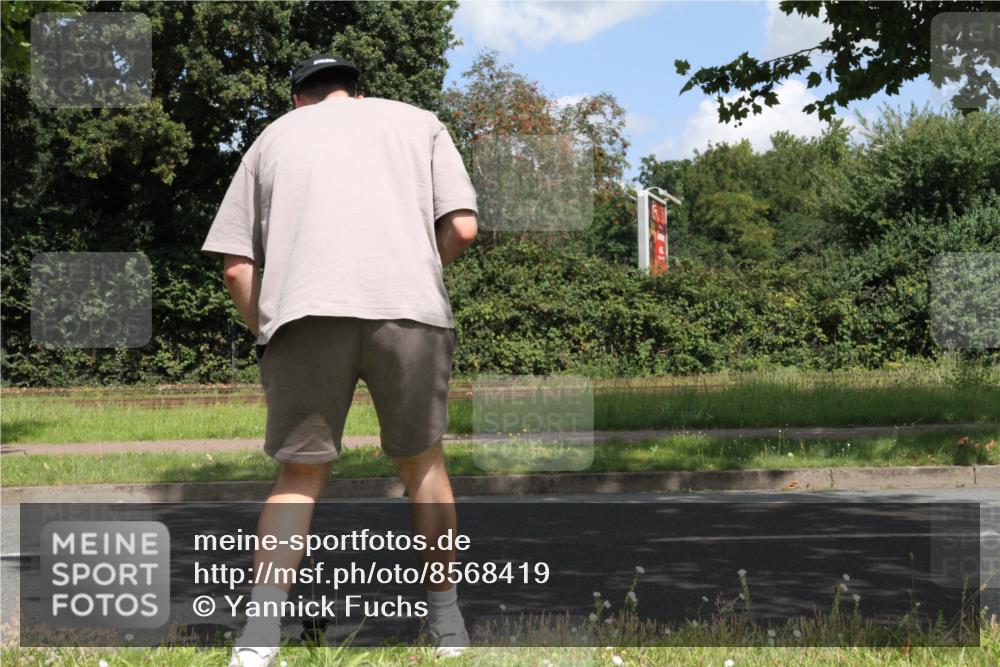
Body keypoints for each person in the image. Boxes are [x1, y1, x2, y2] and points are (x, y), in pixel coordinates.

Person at [201, 54, 479, 667]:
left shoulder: (273, 136)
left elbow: (235, 265)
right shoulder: (420, 122)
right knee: (423, 465)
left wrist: (265, 330)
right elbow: (461, 227)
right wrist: (415, 270)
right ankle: (448, 626)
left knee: (299, 475)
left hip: (304, 312)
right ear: (355, 90)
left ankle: (258, 640)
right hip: (410, 310)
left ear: (299, 97)